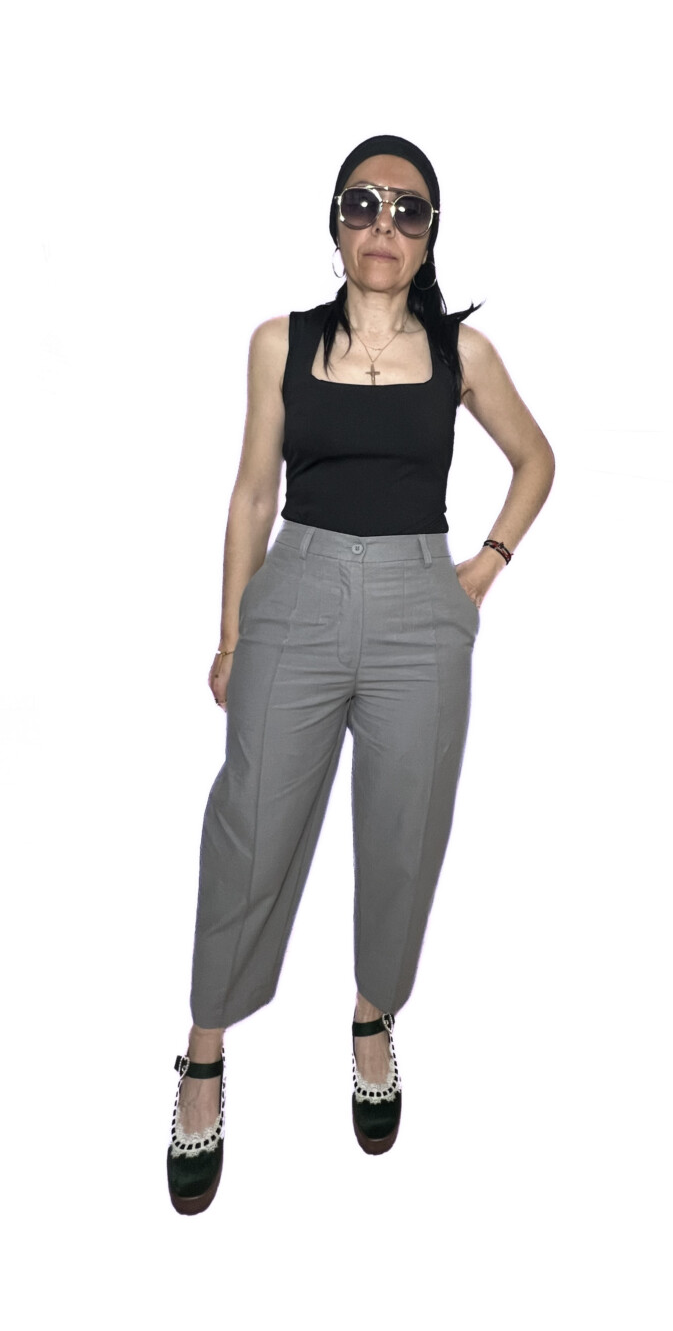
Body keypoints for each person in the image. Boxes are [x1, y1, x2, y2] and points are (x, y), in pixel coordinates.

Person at [166, 134, 555, 1213]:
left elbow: (537, 459)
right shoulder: (280, 342)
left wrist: (481, 570)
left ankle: (373, 1017)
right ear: (335, 222)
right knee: (248, 828)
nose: (384, 225)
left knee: (403, 831)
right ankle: (204, 1052)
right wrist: (231, 634)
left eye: (408, 209)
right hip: (295, 595)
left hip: (421, 611)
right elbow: (253, 493)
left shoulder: (463, 353)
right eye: (363, 203)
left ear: (430, 234)